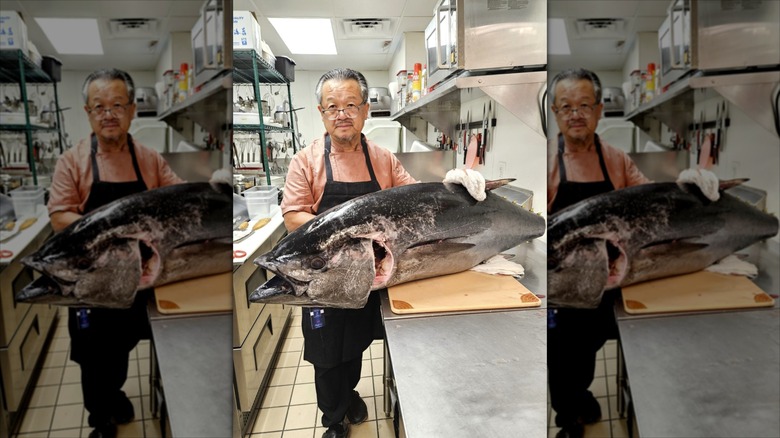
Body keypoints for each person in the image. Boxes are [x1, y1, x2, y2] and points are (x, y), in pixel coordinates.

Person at [281, 68, 417, 438]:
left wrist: (455, 186)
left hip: (367, 277)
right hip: (323, 279)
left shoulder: (383, 159)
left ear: (366, 110)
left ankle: (351, 393)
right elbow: (293, 215)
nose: (342, 113)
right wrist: (339, 234)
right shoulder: (305, 161)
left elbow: (413, 196)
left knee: (354, 343)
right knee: (325, 354)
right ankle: (333, 418)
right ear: (321, 112)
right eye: (332, 107)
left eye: (351, 105)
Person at [47, 69, 183, 438]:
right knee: (93, 356)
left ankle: (116, 393)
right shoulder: (72, 161)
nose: (109, 114)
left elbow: (177, 197)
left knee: (122, 345)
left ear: (132, 110)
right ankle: (100, 417)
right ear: (88, 112)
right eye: (99, 107)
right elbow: (60, 215)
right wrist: (108, 231)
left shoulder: (149, 159)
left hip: (139, 278)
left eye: (117, 105)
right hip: (92, 282)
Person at [546, 68, 649, 438]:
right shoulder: (549, 164)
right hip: (566, 289)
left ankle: (582, 394)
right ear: (556, 113)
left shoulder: (616, 159)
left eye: (585, 105)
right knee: (562, 357)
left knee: (590, 348)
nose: (576, 113)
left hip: (610, 279)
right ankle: (568, 417)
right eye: (567, 106)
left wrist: (690, 188)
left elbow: (647, 200)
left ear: (599, 110)